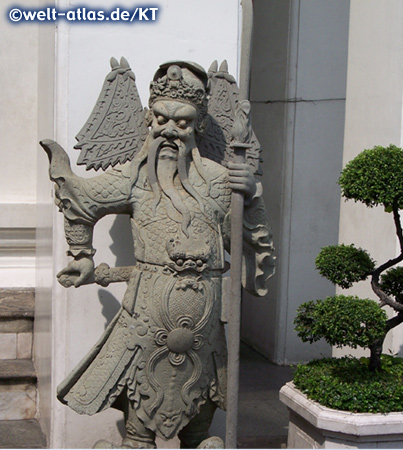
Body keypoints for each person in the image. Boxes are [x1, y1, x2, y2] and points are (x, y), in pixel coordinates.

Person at [41, 61, 275, 449]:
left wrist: (250, 197)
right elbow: (81, 202)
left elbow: (252, 245)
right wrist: (83, 255)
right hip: (147, 317)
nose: (169, 130)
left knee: (200, 422)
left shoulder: (220, 181)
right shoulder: (133, 179)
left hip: (206, 321)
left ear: (198, 125)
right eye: (162, 119)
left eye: (182, 123)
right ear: (149, 118)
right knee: (141, 425)